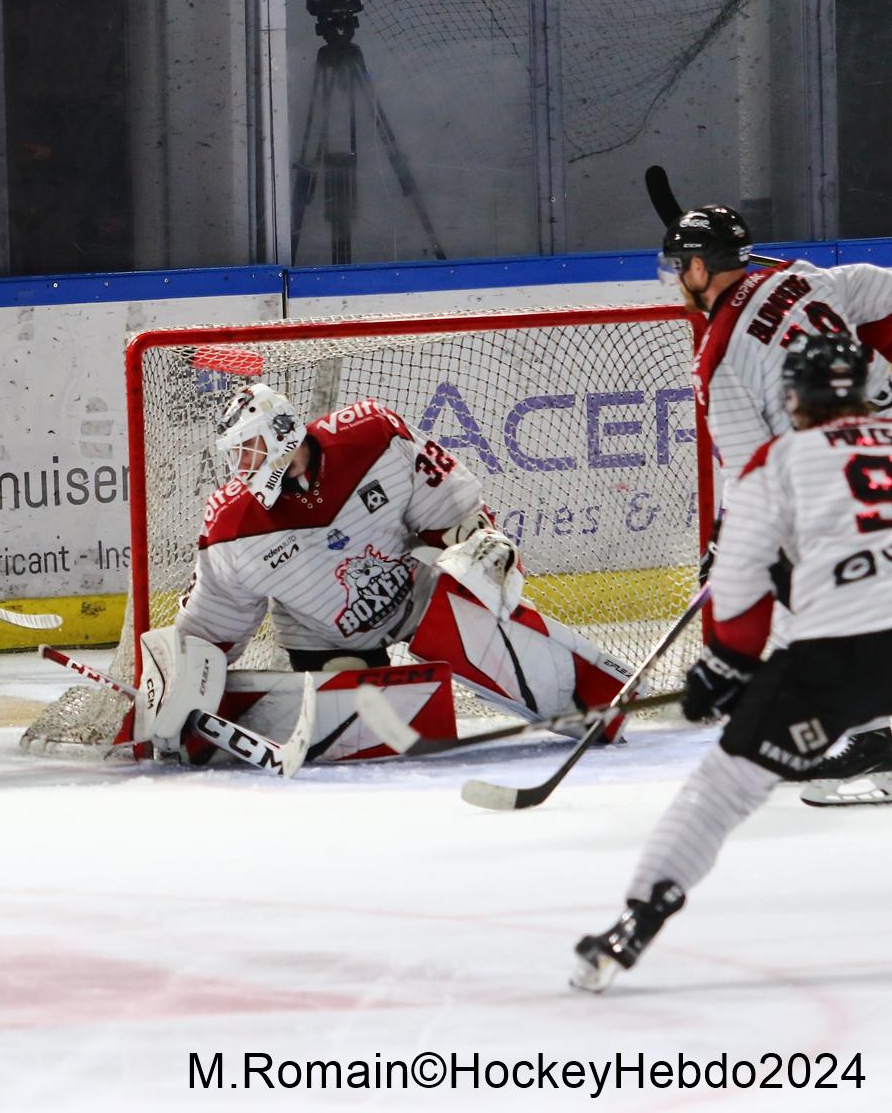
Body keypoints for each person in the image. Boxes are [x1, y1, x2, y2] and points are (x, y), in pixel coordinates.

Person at [571, 333, 892, 992]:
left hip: (838, 654)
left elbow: (740, 590)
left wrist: (722, 672)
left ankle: (634, 924)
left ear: (794, 400)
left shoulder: (780, 461)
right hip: (846, 638)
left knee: (721, 789)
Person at [132, 384, 639, 764]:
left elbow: (455, 514)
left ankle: (596, 697)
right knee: (361, 713)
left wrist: (482, 543)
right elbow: (212, 627)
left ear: (282, 432)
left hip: (412, 590)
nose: (242, 467)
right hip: (322, 632)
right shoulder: (231, 525)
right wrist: (178, 683)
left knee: (477, 610)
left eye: (249, 449)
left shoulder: (372, 436)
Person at [661, 205, 892, 777]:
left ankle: (872, 739)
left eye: (676, 268)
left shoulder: (717, 358)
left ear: (696, 268)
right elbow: (879, 288)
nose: (672, 281)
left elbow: (753, 477)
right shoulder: (799, 277)